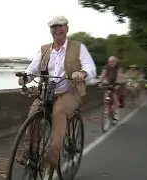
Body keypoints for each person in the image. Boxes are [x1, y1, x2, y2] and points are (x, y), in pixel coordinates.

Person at [17, 15, 97, 168]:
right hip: (47, 92)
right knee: (33, 113)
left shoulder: (78, 47)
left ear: (67, 29)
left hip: (70, 92)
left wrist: (82, 73)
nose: (57, 29)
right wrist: (25, 78)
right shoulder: (44, 50)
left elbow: (91, 68)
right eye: (54, 27)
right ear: (50, 31)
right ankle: (31, 153)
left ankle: (52, 155)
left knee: (59, 110)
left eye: (61, 26)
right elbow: (33, 69)